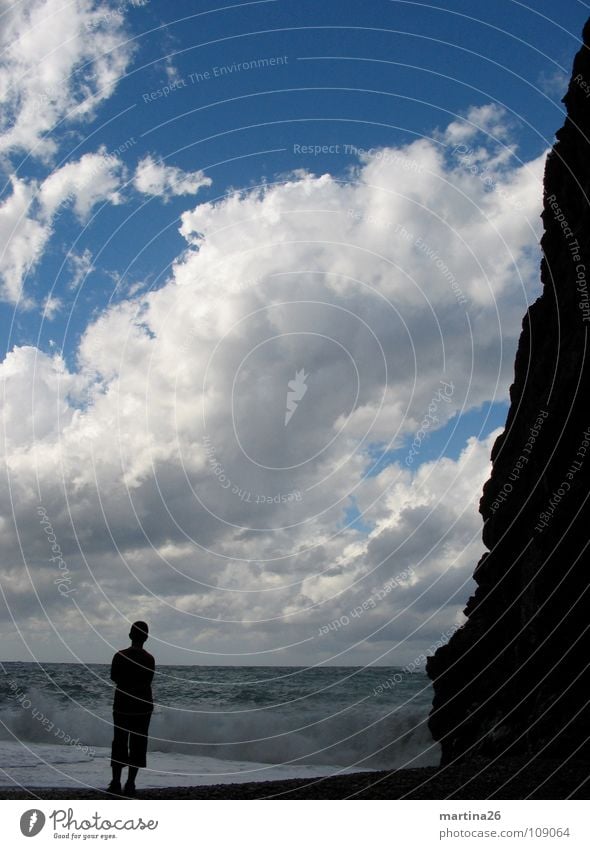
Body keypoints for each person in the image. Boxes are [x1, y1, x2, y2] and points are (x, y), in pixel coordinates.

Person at [108, 621, 155, 796]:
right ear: (146, 638)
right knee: (138, 743)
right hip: (143, 706)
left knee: (119, 741)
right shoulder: (149, 659)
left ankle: (115, 782)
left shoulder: (119, 656)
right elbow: (148, 681)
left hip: (122, 704)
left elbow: (114, 677)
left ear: (130, 636)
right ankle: (130, 783)